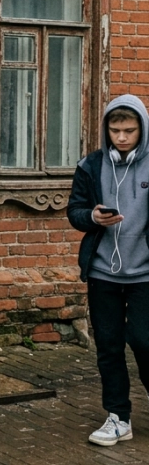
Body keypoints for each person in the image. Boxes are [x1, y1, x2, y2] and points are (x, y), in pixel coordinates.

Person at [67, 95, 149, 447]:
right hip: (103, 272)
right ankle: (119, 418)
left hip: (145, 274)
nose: (122, 138)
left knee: (144, 340)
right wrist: (92, 217)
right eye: (115, 131)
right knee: (109, 346)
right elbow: (75, 211)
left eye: (129, 130)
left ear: (142, 129)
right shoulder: (91, 165)